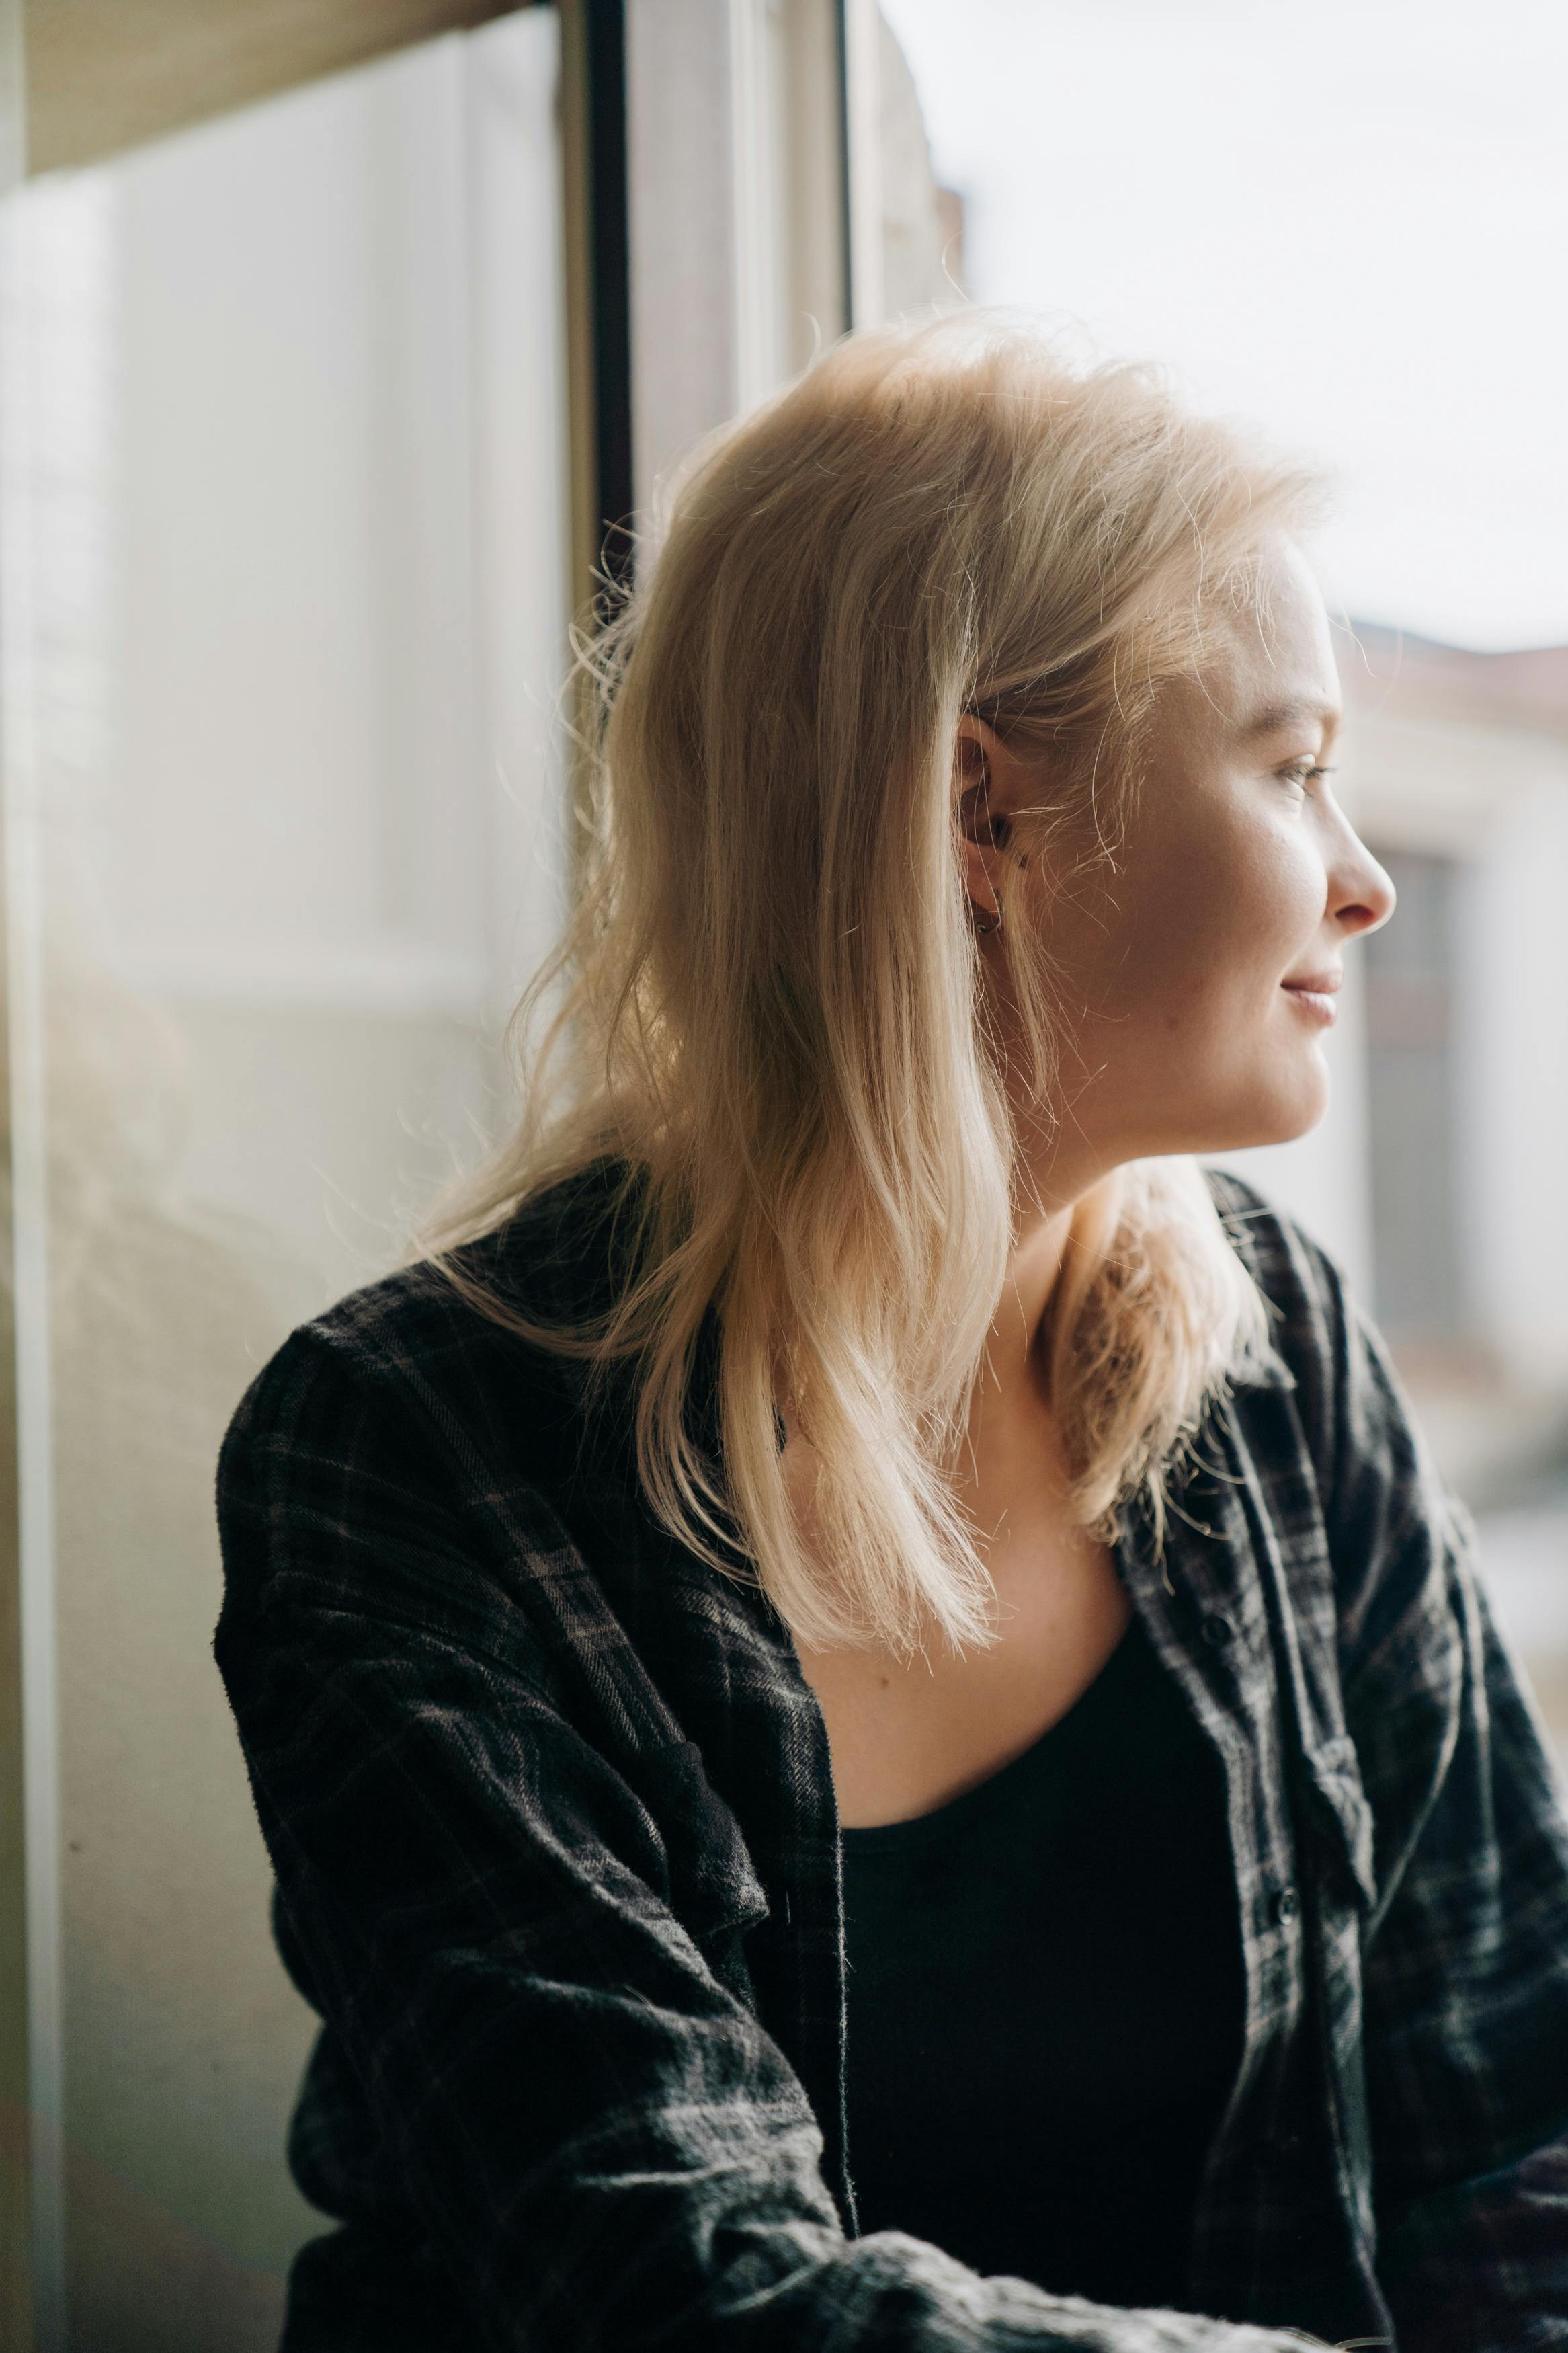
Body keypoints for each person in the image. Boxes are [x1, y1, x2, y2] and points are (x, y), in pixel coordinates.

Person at [214, 317, 1568, 2353]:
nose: (1365, 883)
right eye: (1291, 768)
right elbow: (684, 2291)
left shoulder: (1275, 1356)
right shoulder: (409, 1451)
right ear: (976, 812)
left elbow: (1514, 2115)